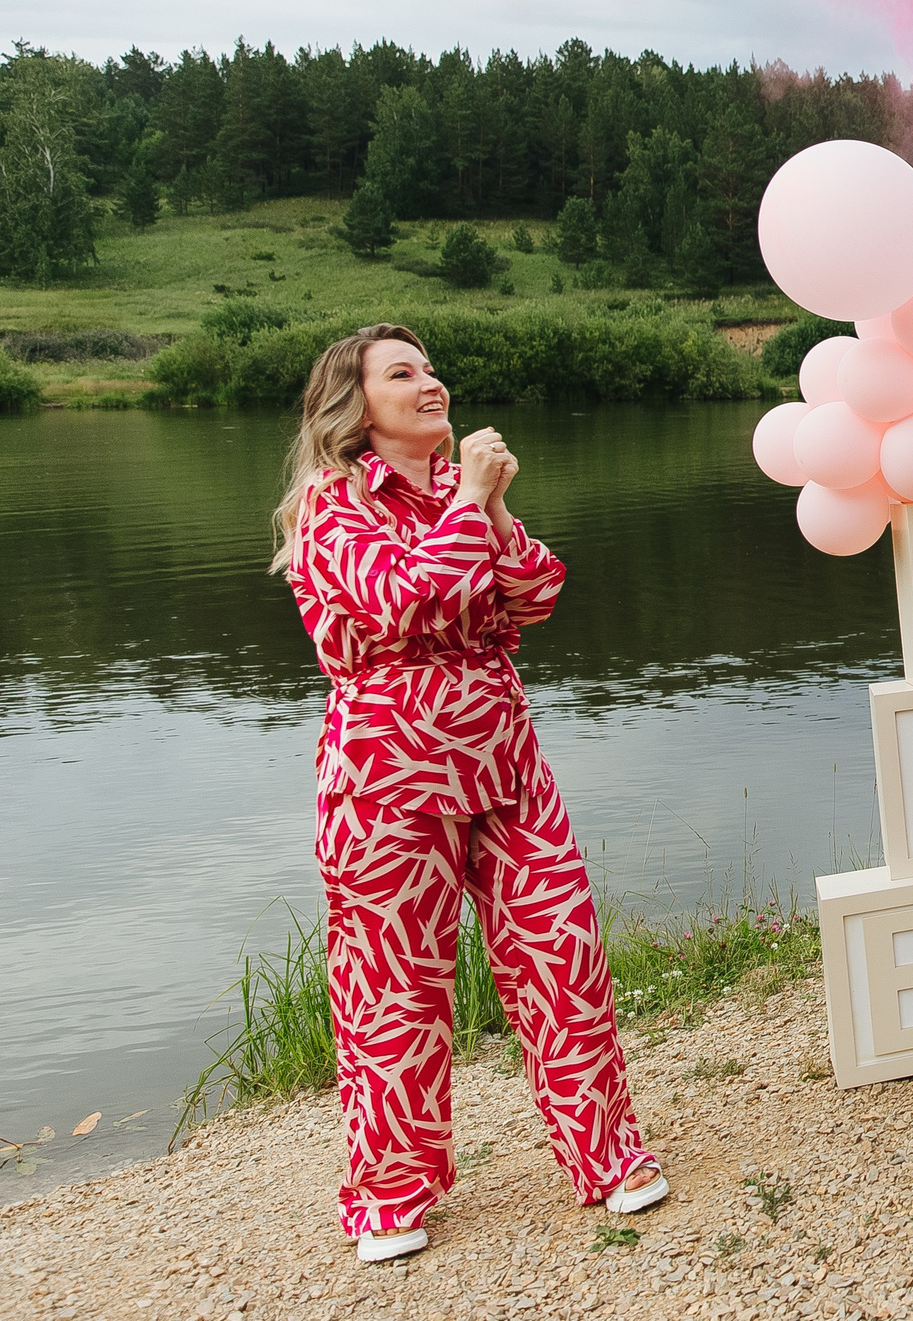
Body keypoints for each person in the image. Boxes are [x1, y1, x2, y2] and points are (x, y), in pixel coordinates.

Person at [269, 324, 664, 1264]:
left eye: (431, 366)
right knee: (392, 991)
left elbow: (534, 594)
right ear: (357, 408)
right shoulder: (329, 508)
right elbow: (408, 599)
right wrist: (477, 499)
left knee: (563, 959)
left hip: (505, 765)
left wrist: (484, 508)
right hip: (386, 783)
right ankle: (388, 1194)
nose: (429, 382)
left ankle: (606, 1154)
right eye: (401, 373)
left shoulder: (457, 493)